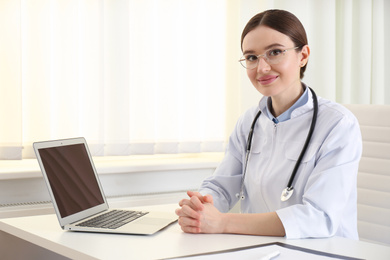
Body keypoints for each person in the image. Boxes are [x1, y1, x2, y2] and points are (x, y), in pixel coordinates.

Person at [175, 9, 362, 239]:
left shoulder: (338, 125)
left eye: (275, 52)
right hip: (259, 248)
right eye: (252, 57)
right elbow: (222, 185)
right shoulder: (249, 122)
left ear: (303, 56)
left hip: (321, 250)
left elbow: (319, 217)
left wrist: (223, 222)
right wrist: (200, 206)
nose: (261, 68)